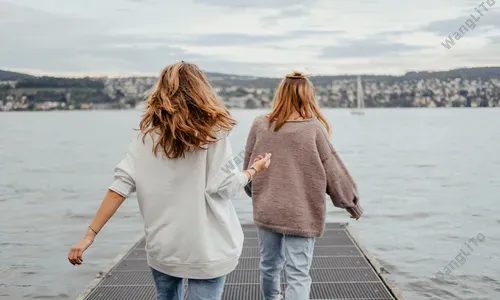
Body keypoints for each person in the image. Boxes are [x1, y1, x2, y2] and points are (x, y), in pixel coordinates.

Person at [67, 61, 272, 300]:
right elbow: (224, 187)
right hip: (207, 248)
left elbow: (118, 189)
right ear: (202, 90)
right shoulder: (214, 134)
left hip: (164, 248)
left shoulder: (146, 138)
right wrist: (253, 171)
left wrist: (89, 235)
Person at [243, 71, 363, 300]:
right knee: (298, 272)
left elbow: (249, 166)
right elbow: (334, 171)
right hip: (302, 211)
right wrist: (350, 203)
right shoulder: (313, 129)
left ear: (280, 94)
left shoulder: (260, 124)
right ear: (308, 96)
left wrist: (256, 193)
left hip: (268, 207)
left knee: (269, 265)